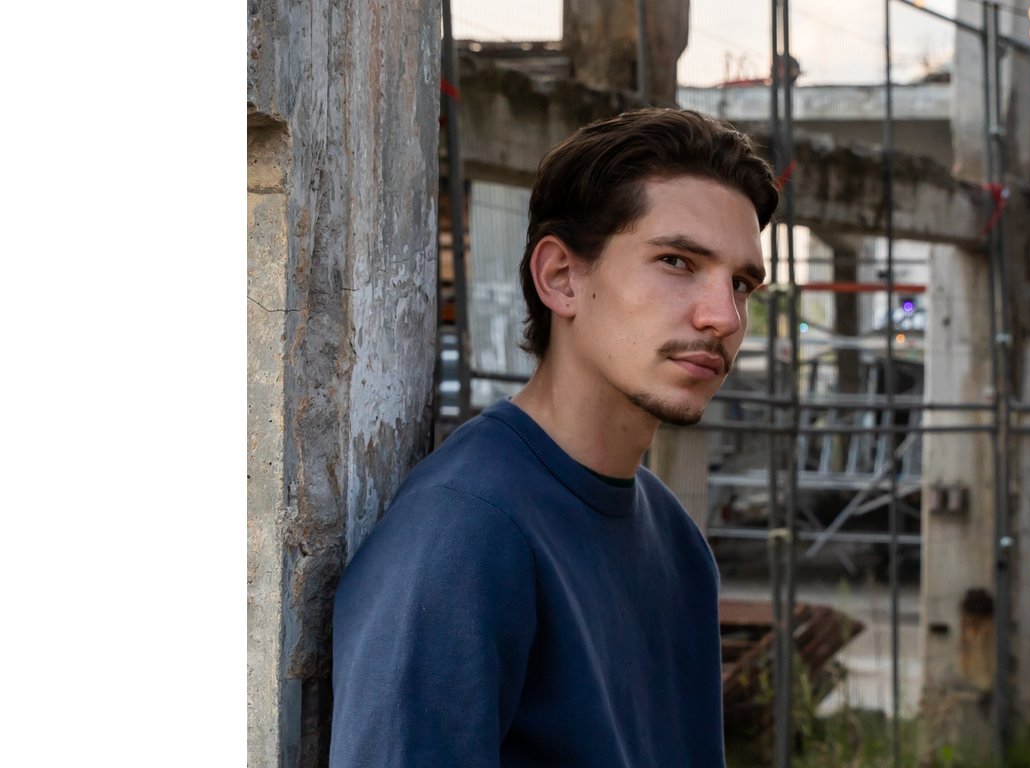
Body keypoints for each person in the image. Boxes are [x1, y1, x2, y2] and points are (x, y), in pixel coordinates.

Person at [329, 108, 778, 767]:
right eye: (677, 261)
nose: (724, 317)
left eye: (741, 283)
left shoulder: (677, 542)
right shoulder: (465, 530)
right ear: (561, 278)